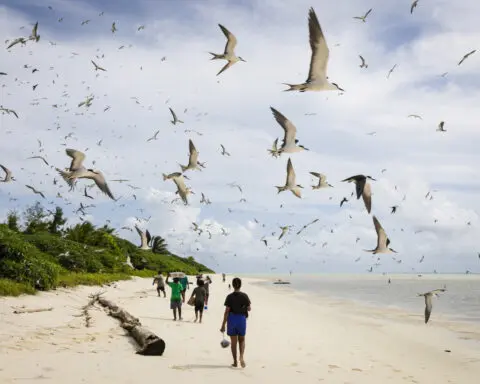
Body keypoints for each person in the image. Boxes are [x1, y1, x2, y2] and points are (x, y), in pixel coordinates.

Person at [220, 277, 251, 368]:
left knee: (233, 342)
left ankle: (235, 362)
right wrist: (244, 307)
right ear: (240, 285)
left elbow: (226, 311)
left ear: (233, 285)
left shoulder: (229, 297)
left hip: (232, 319)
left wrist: (223, 325)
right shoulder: (245, 296)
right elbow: (249, 309)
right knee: (242, 340)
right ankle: (241, 357)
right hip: (241, 319)